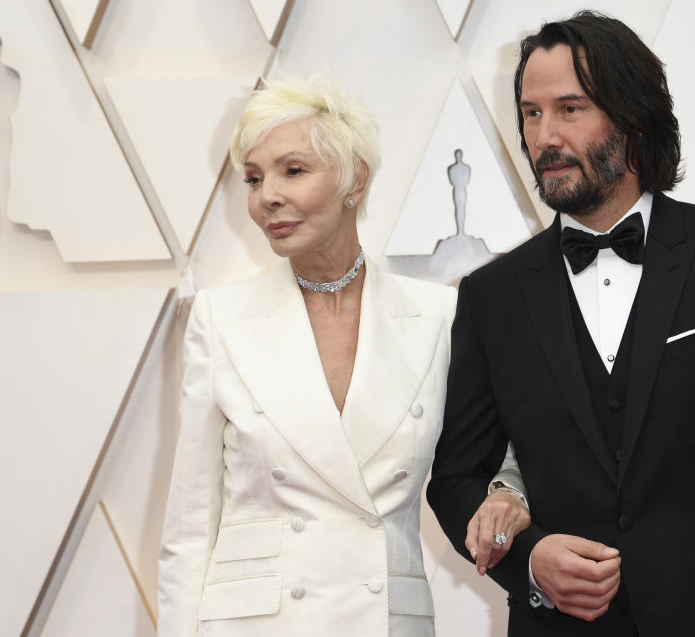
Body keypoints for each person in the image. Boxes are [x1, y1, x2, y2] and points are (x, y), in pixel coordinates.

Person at [427, 11, 695, 637]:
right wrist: (527, 560)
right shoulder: (490, 296)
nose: (544, 136)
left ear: (632, 119)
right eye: (530, 113)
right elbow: (456, 478)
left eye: (570, 109)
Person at [156, 75, 529, 637]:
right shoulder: (220, 319)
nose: (267, 197)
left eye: (293, 170)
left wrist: (508, 493)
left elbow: (496, 461)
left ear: (356, 179)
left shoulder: (439, 317)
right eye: (254, 179)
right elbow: (188, 528)